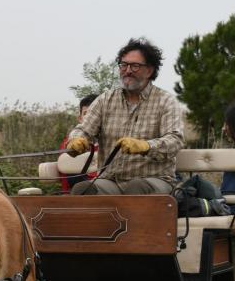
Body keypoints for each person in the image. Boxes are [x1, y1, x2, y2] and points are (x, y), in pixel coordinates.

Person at [64, 38, 185, 194]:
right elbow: (83, 130)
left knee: (135, 188)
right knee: (82, 190)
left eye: (135, 66)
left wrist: (146, 146)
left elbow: (175, 141)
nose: (127, 70)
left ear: (150, 71)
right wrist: (76, 140)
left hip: (154, 180)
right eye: (124, 65)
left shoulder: (166, 101)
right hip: (110, 181)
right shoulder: (105, 99)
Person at [60, 94, 99, 192]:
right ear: (80, 118)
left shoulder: (109, 142)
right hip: (77, 191)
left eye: (93, 114)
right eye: (86, 114)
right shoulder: (71, 142)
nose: (90, 119)